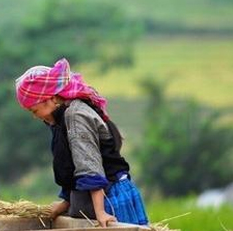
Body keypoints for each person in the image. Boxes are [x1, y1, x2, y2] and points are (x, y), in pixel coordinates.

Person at [15, 58, 149, 227]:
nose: (36, 116)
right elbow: (70, 166)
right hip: (89, 200)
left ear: (52, 99)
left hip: (108, 198)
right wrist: (66, 202)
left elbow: (88, 164)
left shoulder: (76, 116)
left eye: (35, 110)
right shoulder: (59, 120)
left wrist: (101, 212)